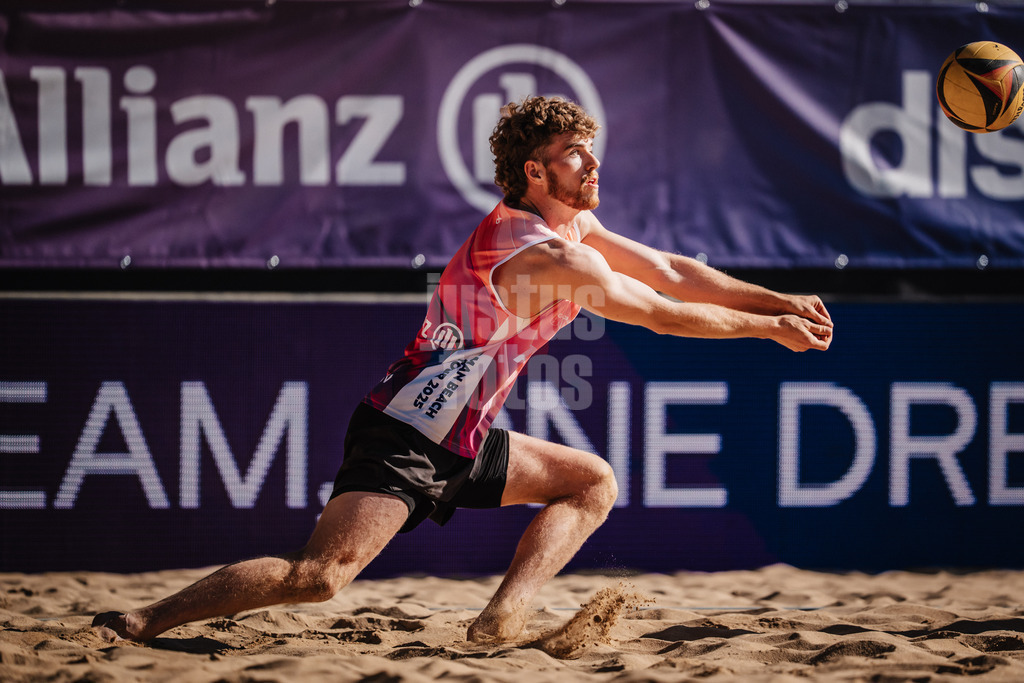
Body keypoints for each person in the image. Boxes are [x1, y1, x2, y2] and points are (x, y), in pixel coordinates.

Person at [93, 95, 833, 646]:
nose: (595, 161)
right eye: (577, 152)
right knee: (318, 577)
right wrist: (768, 329)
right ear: (535, 169)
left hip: (465, 437)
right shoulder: (543, 254)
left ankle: (501, 620)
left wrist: (778, 297)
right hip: (406, 431)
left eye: (591, 148)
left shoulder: (573, 227)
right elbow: (659, 310)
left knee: (592, 482)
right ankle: (147, 618)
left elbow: (670, 269)